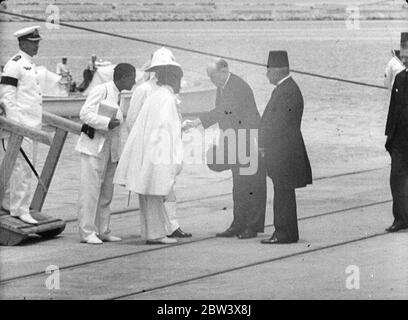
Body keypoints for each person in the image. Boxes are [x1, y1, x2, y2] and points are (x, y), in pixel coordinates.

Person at [187, 58, 266, 239]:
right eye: (209, 77)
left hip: (248, 139)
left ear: (224, 70)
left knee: (251, 184)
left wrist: (197, 122)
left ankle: (252, 227)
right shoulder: (221, 87)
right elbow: (223, 115)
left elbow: (223, 110)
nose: (211, 80)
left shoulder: (237, 86)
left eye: (213, 76)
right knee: (238, 185)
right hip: (233, 140)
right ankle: (238, 224)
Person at [114, 50, 184, 245]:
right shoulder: (165, 98)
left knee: (149, 193)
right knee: (154, 192)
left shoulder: (157, 95)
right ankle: (156, 234)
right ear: (173, 80)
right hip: (158, 152)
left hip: (148, 149)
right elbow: (166, 129)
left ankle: (151, 232)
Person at [76, 63, 136, 244]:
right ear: (123, 77)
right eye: (132, 78)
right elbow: (84, 114)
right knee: (90, 191)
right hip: (94, 148)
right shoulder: (101, 90)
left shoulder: (121, 96)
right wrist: (106, 122)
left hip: (110, 150)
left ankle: (103, 230)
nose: (134, 82)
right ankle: (87, 232)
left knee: (106, 192)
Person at [259, 51, 312, 244]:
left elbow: (279, 124)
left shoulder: (287, 91)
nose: (267, 75)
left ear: (278, 70)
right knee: (282, 192)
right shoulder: (286, 88)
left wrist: (264, 145)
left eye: (269, 71)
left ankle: (284, 233)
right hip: (283, 151)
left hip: (284, 152)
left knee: (283, 193)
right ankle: (286, 232)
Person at [0, 26, 43, 225]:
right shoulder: (14, 64)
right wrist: (16, 126)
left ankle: (11, 203)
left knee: (24, 167)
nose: (37, 45)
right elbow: (7, 98)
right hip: (21, 126)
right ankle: (20, 209)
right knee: (22, 169)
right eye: (33, 42)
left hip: (32, 126)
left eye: (37, 42)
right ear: (23, 43)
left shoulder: (30, 64)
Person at [384, 32, 408, 233]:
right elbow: (393, 110)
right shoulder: (400, 78)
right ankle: (400, 218)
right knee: (396, 178)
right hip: (399, 140)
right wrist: (389, 139)